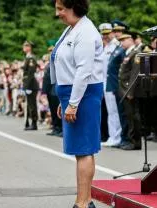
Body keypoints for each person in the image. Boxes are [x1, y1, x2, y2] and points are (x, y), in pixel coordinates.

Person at [50, 0, 104, 207]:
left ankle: (82, 203)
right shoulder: (72, 30)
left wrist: (72, 103)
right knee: (79, 150)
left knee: (84, 149)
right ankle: (85, 200)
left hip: (84, 93)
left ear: (73, 7)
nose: (58, 14)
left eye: (61, 9)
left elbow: (83, 71)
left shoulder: (86, 32)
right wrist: (65, 101)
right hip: (73, 93)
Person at [98, 23, 123, 147]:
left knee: (115, 111)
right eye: (103, 34)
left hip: (113, 83)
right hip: (104, 83)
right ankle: (112, 136)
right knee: (110, 111)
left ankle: (117, 137)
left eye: (107, 33)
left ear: (113, 32)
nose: (105, 36)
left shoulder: (117, 46)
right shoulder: (105, 47)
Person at [118, 33, 142, 150]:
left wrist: (130, 92)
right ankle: (131, 140)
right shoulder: (129, 53)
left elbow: (135, 74)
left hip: (129, 90)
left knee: (133, 116)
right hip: (125, 90)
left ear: (130, 40)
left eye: (123, 40)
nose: (121, 43)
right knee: (129, 116)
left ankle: (135, 142)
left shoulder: (136, 53)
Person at [22, 40, 39, 130]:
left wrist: (26, 86)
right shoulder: (27, 57)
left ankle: (34, 123)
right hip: (29, 85)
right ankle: (30, 122)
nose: (24, 47)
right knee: (29, 104)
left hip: (31, 85)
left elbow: (30, 74)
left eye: (25, 46)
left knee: (32, 105)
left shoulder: (31, 58)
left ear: (29, 48)